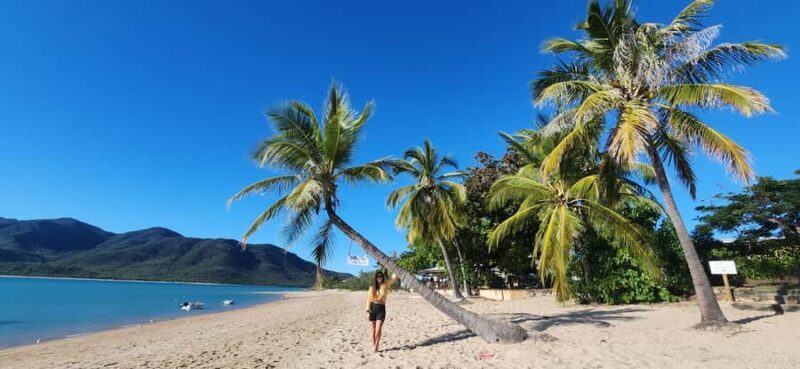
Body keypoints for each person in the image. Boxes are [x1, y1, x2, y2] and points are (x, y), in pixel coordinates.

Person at [365, 271, 398, 352]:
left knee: (378, 330)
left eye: (381, 276)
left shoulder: (385, 284)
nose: (379, 278)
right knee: (373, 329)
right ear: (376, 278)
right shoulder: (372, 288)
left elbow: (393, 278)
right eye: (378, 276)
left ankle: (376, 345)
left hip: (381, 308)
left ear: (383, 277)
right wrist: (368, 311)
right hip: (373, 308)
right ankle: (374, 345)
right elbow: (369, 300)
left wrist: (395, 268)